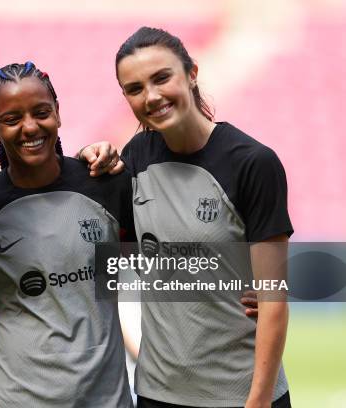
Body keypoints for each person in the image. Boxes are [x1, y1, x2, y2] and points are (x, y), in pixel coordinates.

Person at [80, 27, 291, 408]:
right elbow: (116, 258)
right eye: (135, 88)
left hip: (241, 395)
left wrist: (258, 400)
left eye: (162, 78)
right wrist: (92, 157)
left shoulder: (252, 163)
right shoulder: (137, 156)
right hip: (157, 394)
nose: (152, 96)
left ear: (191, 73)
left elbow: (273, 297)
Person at [0, 62, 134, 407]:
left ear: (58, 113)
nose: (30, 127)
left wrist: (253, 284)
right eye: (11, 119)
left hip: (105, 399)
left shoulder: (107, 184)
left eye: (41, 112)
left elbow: (165, 266)